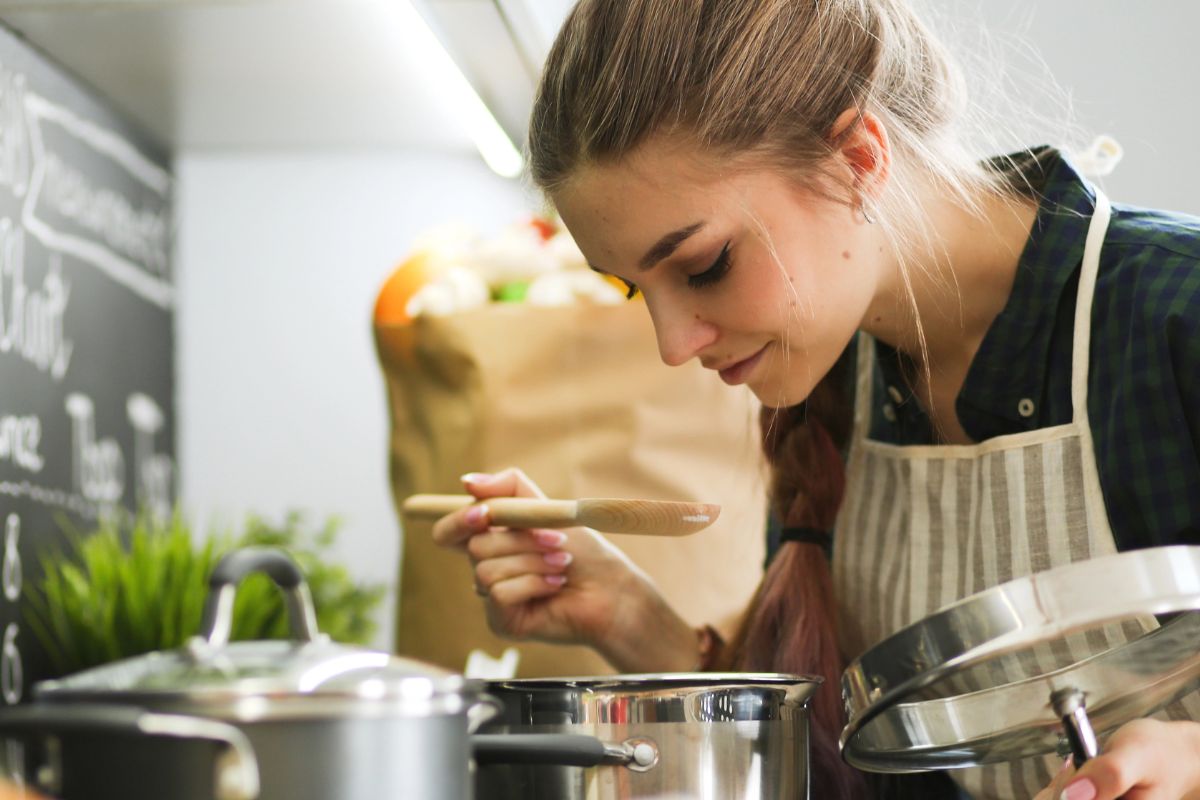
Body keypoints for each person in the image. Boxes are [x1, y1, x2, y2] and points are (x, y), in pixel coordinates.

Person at [431, 1, 1200, 797]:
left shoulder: (1176, 315)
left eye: (703, 266)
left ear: (858, 160)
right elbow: (827, 768)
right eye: (635, 288)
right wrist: (628, 617)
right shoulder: (833, 380)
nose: (673, 345)